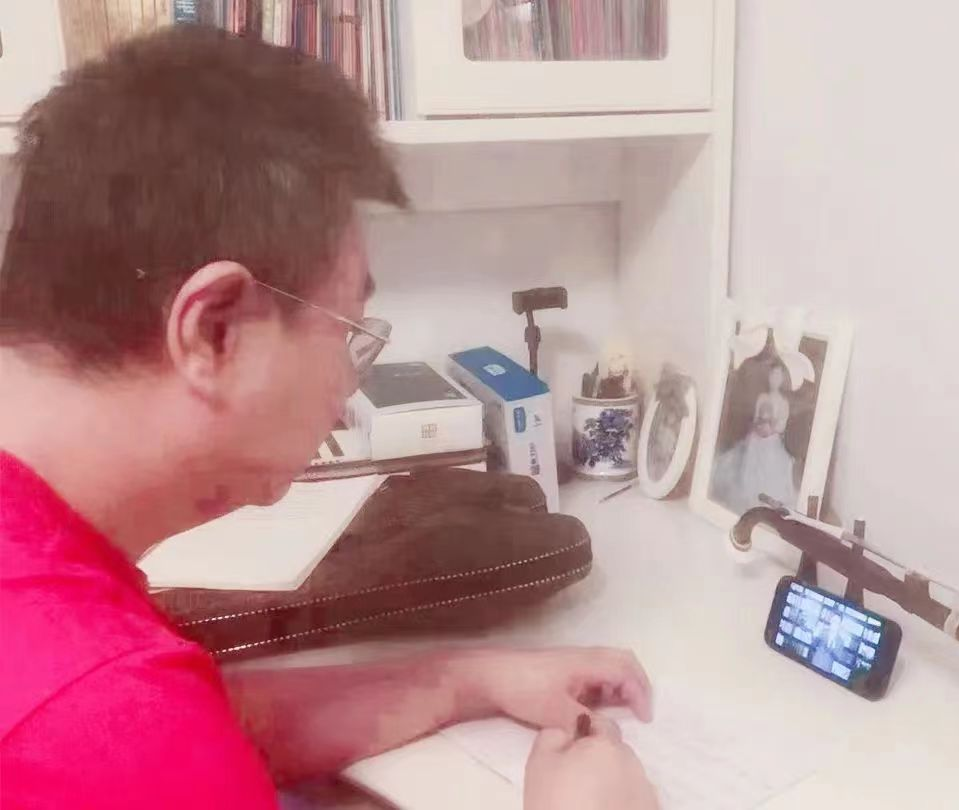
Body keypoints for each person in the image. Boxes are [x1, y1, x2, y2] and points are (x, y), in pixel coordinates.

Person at [0, 26, 658, 810]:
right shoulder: (95, 717)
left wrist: (465, 678)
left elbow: (200, 719)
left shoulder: (62, 620)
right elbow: (136, 739)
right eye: (347, 331)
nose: (349, 387)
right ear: (214, 330)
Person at [710, 361, 798, 514]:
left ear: (782, 379)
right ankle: (747, 490)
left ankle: (765, 494)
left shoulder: (783, 403)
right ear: (769, 377)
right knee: (751, 447)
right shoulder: (762, 398)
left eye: (778, 376)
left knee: (772, 455)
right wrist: (759, 426)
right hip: (757, 435)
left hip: (772, 437)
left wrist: (770, 429)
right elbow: (756, 418)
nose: (774, 379)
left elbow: (781, 426)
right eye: (772, 375)